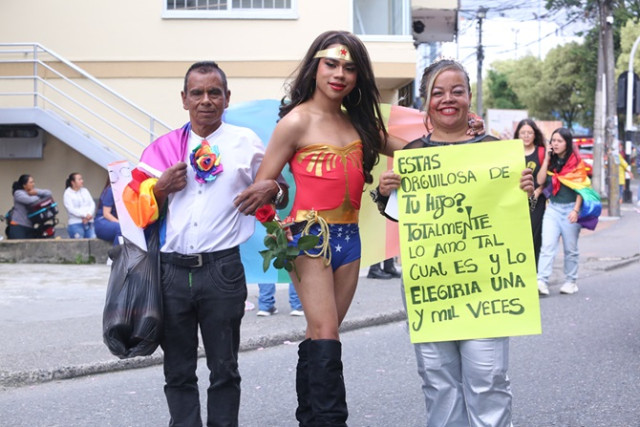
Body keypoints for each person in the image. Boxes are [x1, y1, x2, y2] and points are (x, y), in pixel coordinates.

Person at [234, 31, 488, 426]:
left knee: (321, 333)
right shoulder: (295, 121)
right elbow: (268, 190)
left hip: (350, 239)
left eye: (350, 68)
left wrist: (463, 133)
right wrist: (276, 201)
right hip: (308, 239)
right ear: (315, 67)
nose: (339, 74)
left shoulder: (360, 123)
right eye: (331, 64)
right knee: (327, 331)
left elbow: (417, 151)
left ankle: (309, 417)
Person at [122, 61, 288, 427]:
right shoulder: (162, 150)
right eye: (197, 92)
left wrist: (273, 188)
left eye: (215, 92)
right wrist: (161, 189)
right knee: (178, 370)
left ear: (227, 98)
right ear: (184, 99)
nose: (206, 100)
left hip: (222, 272)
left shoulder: (246, 143)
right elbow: (135, 214)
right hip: (170, 274)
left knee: (224, 368)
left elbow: (279, 193)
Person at [374, 59, 534, 427]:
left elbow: (511, 221)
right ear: (425, 101)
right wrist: (386, 194)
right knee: (437, 381)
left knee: (488, 380)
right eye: (438, 92)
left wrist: (525, 193)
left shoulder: (496, 151)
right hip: (431, 288)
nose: (448, 99)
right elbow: (402, 219)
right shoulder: (412, 155)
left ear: (469, 97)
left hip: (488, 288)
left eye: (457, 91)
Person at [536, 128, 588, 296]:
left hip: (570, 209)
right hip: (553, 208)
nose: (555, 144)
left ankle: (571, 281)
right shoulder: (551, 162)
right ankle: (541, 281)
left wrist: (576, 210)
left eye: (559, 141)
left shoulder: (576, 163)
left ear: (567, 143)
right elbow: (540, 181)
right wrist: (547, 159)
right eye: (553, 141)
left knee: (570, 249)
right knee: (547, 246)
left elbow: (582, 189)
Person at [515, 118, 547, 268]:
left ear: (535, 135)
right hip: (516, 201)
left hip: (535, 201)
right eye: (523, 132)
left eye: (530, 132)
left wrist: (538, 191)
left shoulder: (541, 152)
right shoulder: (511, 152)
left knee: (534, 236)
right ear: (518, 134)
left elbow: (547, 177)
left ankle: (533, 273)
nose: (526, 136)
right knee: (517, 236)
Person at [7, 174, 52, 239]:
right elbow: (31, 201)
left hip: (29, 225)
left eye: (33, 182)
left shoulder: (33, 191)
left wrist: (37, 192)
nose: (33, 184)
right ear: (24, 185)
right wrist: (38, 196)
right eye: (31, 182)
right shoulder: (18, 193)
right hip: (18, 225)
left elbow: (49, 193)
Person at [63, 172, 96, 239]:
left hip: (89, 222)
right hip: (76, 223)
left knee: (93, 242)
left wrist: (89, 214)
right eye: (79, 179)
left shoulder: (85, 191)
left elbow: (92, 204)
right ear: (73, 182)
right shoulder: (67, 193)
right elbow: (71, 209)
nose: (82, 181)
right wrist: (84, 215)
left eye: (82, 179)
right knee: (79, 246)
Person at [94, 176, 121, 245]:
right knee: (121, 229)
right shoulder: (111, 190)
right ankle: (116, 255)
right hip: (102, 222)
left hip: (112, 223)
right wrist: (120, 223)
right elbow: (106, 214)